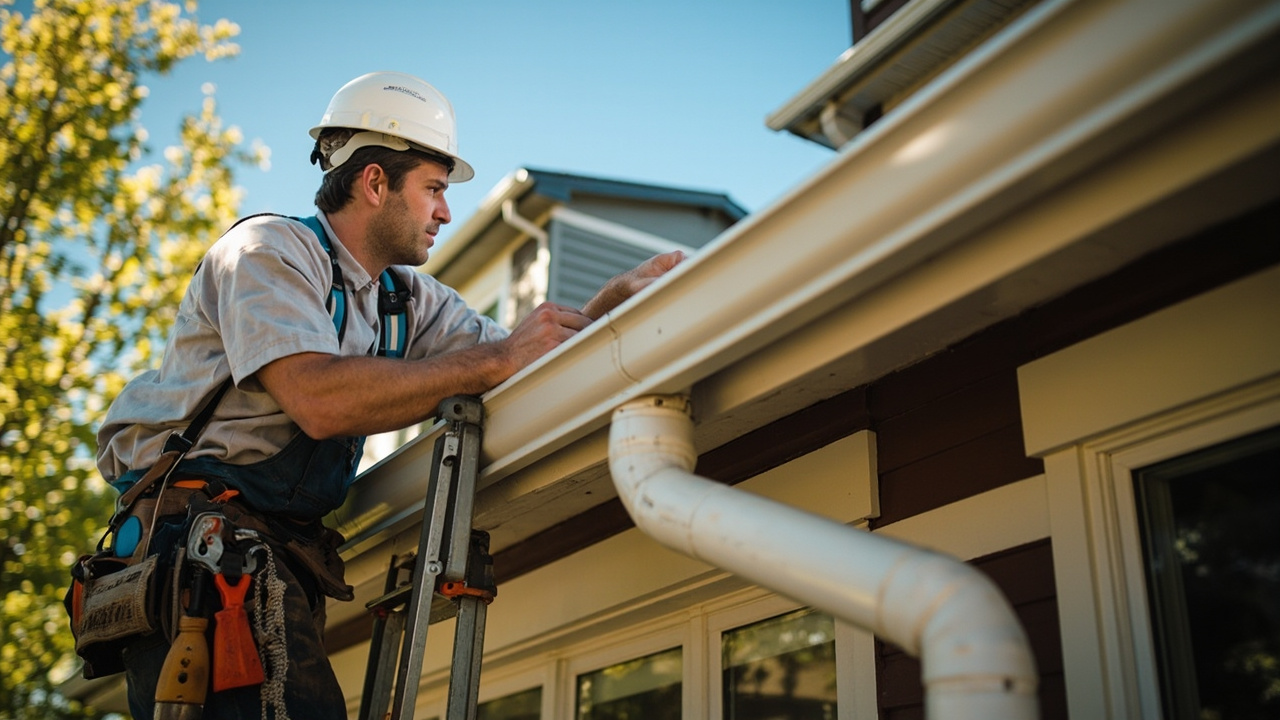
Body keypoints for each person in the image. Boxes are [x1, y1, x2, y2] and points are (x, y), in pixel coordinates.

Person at [94, 71, 684, 719]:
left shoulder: (407, 301)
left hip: (275, 554)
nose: (446, 211)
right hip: (197, 550)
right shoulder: (265, 252)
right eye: (433, 188)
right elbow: (319, 400)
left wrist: (608, 306)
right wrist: (495, 358)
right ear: (375, 182)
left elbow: (521, 357)